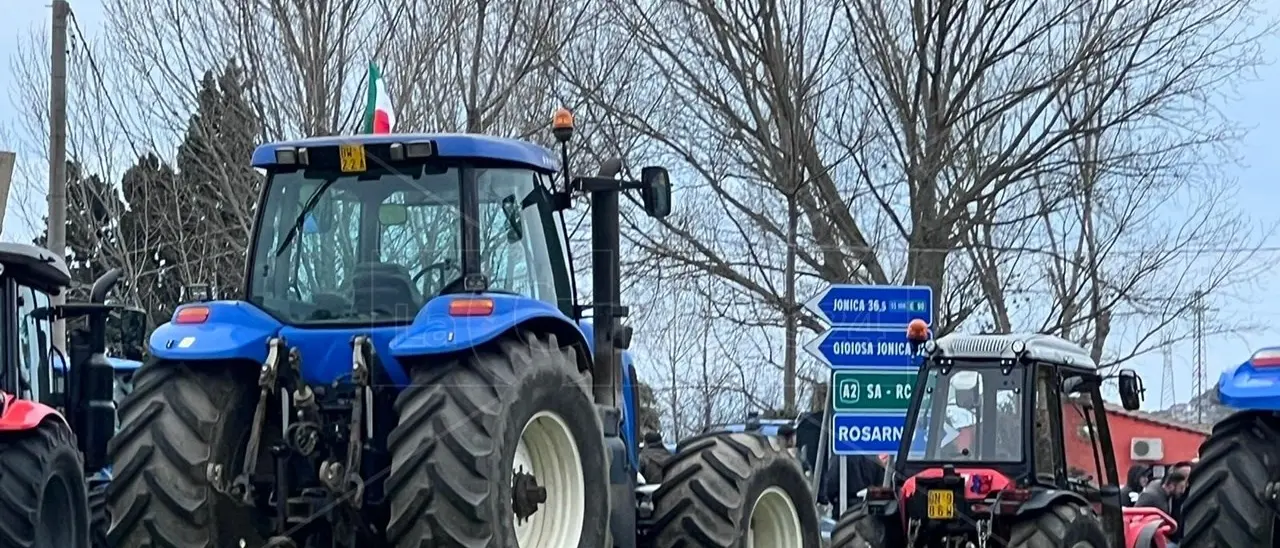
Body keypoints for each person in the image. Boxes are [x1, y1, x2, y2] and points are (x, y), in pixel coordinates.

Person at [819, 454, 885, 514]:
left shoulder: (840, 456)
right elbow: (881, 486)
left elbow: (831, 486)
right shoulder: (873, 457)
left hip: (844, 507)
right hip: (868, 508)